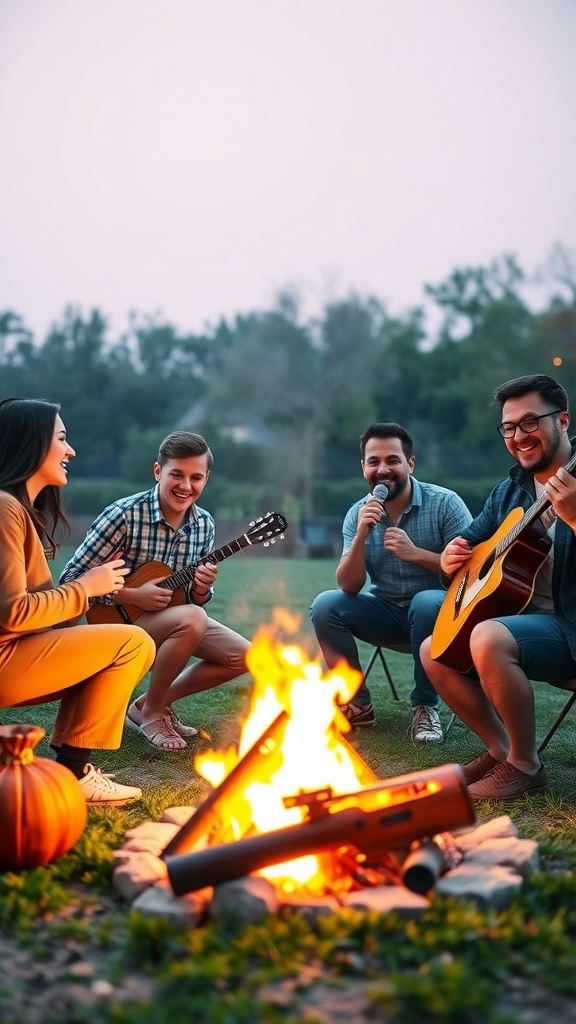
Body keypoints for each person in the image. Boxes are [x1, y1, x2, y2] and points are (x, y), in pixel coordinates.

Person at [420, 373, 576, 800]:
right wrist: (451, 561)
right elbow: (473, 543)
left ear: (562, 421)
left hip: (571, 624)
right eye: (508, 428)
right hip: (530, 623)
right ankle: (502, 749)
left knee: (488, 636)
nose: (519, 436)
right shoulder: (510, 490)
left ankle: (526, 766)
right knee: (433, 651)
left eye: (530, 423)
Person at [0, 398, 156, 804]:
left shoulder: (16, 509)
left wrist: (86, 596)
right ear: (31, 444)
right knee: (133, 642)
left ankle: (71, 768)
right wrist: (85, 587)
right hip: (5, 661)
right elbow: (12, 612)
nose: (70, 451)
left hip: (15, 656)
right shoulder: (5, 509)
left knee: (114, 647)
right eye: (62, 439)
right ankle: (71, 773)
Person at [60, 431, 250, 752]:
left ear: (206, 479)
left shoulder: (203, 524)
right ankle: (152, 715)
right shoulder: (123, 514)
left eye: (196, 477)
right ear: (158, 471)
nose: (185, 486)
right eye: (176, 474)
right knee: (192, 617)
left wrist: (201, 589)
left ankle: (147, 704)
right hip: (115, 622)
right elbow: (71, 580)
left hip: (169, 620)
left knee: (242, 655)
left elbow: (188, 599)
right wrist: (132, 596)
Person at [310, 422, 472, 740]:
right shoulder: (357, 513)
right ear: (363, 467)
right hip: (386, 613)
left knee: (425, 601)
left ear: (410, 463)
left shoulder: (446, 504)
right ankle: (356, 704)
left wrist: (417, 554)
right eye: (374, 462)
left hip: (442, 616)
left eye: (392, 460)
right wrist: (361, 535)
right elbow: (349, 586)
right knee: (326, 604)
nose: (383, 469)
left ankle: (425, 707)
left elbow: (473, 572)